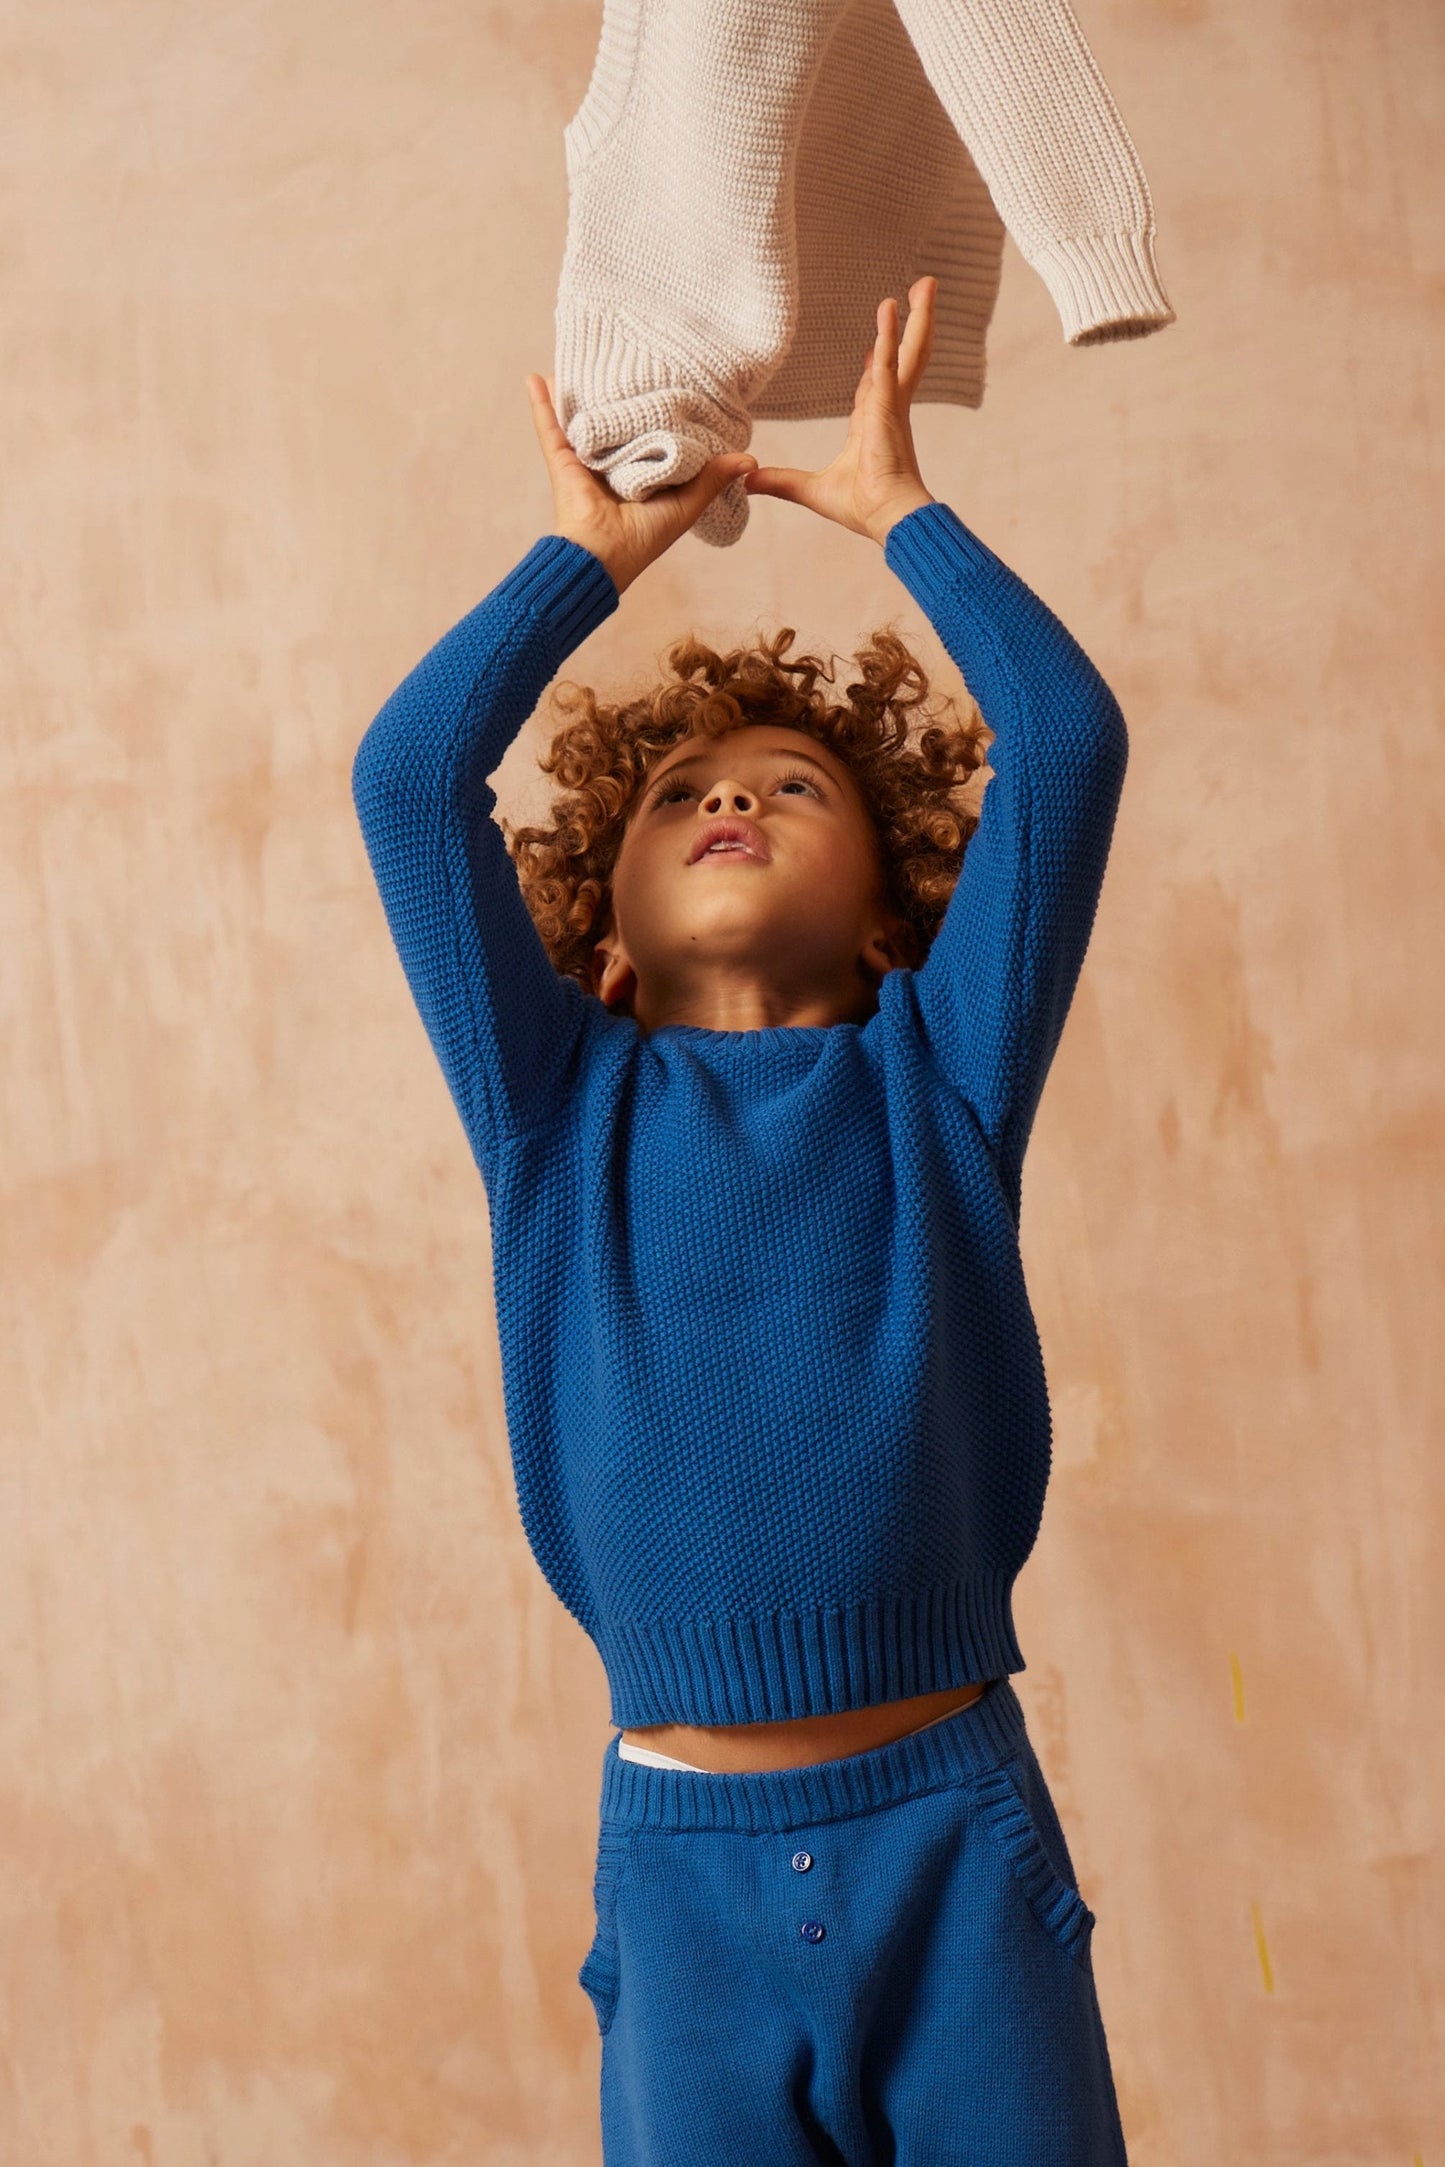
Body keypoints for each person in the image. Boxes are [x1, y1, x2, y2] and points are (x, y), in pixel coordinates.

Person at [352, 276, 1132, 2162]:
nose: (732, 800)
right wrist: (584, 557)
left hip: (955, 1836)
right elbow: (406, 782)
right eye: (682, 794)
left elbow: (1066, 745)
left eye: (792, 786)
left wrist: (899, 516)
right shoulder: (556, 1107)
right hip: (682, 1872)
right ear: (602, 942)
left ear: (893, 916)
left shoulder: (939, 1073)